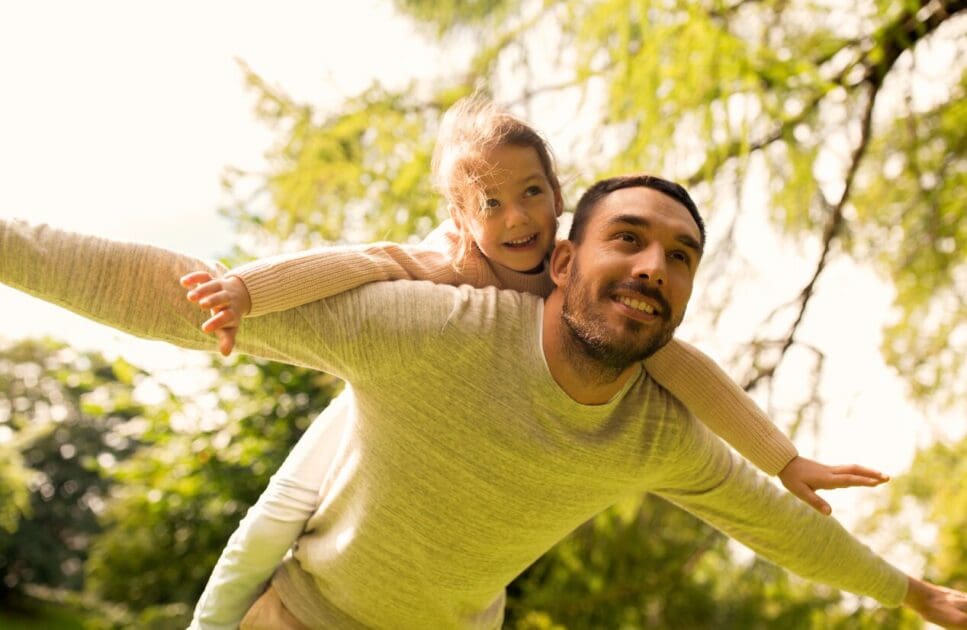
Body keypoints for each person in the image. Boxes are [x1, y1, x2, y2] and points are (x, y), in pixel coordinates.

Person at [1, 175, 965, 628]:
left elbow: (777, 524)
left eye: (678, 257)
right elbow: (170, 294)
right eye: (625, 238)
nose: (651, 267)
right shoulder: (429, 326)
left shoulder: (654, 435)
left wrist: (910, 594)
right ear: (559, 261)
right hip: (305, 616)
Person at [178, 98, 887, 626]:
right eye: (491, 203)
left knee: (483, 603)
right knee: (273, 520)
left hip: (471, 493)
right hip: (385, 406)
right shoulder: (443, 262)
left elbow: (684, 368)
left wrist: (783, 460)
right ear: (460, 218)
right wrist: (244, 289)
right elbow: (352, 264)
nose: (516, 218)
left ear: (557, 196)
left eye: (532, 194)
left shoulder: (572, 278)